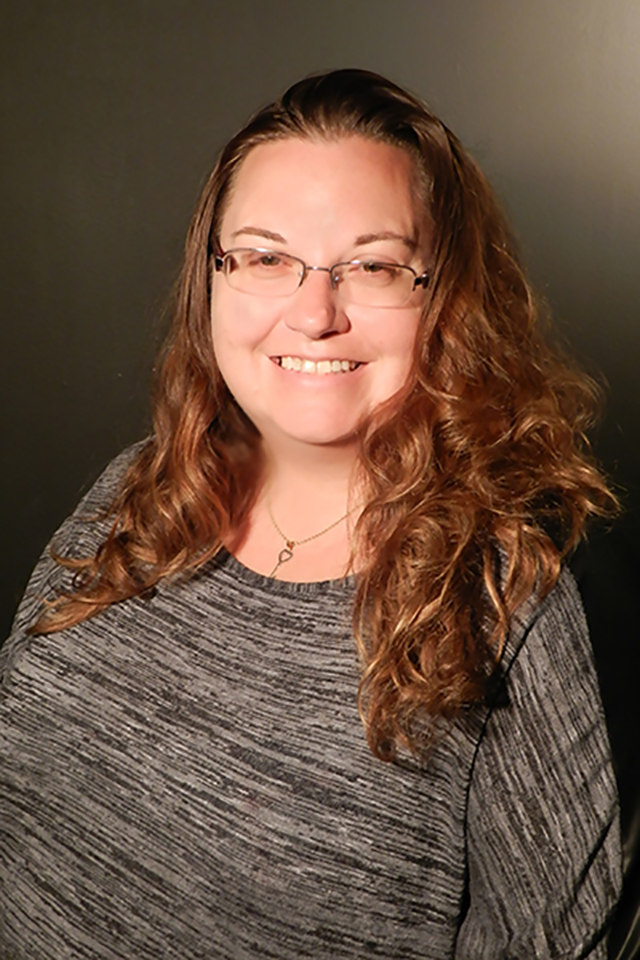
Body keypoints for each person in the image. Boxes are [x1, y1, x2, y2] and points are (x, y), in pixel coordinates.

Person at [0, 69, 622, 958]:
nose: (314, 313)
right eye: (263, 256)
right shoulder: (140, 488)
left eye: (372, 265)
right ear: (211, 278)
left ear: (444, 297)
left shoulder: (509, 600)